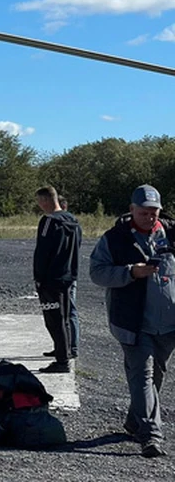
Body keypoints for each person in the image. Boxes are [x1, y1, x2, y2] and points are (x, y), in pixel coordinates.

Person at [90, 184, 175, 458]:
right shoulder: (114, 239)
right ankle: (151, 436)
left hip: (169, 324)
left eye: (154, 212)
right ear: (132, 210)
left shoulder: (172, 233)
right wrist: (131, 272)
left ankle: (133, 421)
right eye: (143, 212)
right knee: (143, 376)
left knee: (156, 375)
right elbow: (97, 273)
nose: (149, 217)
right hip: (133, 323)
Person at [33, 186, 82, 374]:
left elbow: (42, 252)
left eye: (39, 201)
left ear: (46, 200)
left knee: (53, 319)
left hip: (50, 280)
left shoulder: (48, 222)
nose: (39, 205)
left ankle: (62, 361)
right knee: (65, 318)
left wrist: (39, 278)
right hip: (68, 277)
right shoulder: (73, 221)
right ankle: (64, 350)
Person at [57, 195, 80, 359]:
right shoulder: (73, 224)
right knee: (62, 312)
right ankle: (62, 345)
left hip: (68, 274)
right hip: (66, 273)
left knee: (70, 311)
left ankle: (73, 347)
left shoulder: (69, 225)